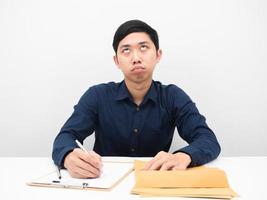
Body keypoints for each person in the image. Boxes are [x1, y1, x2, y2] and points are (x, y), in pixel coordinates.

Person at [52, 19, 221, 178]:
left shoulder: (173, 96)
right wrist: (68, 155)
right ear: (116, 61)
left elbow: (207, 139)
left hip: (153, 181)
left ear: (158, 55)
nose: (136, 58)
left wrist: (184, 155)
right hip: (104, 181)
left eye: (143, 47)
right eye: (126, 50)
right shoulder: (97, 95)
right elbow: (66, 136)